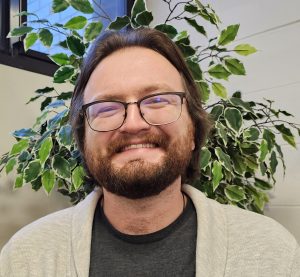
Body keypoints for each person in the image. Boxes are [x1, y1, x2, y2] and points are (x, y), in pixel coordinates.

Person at [0, 28, 299, 277]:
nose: (133, 124)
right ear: (83, 139)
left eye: (157, 100)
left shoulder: (273, 255)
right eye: (106, 107)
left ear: (193, 130)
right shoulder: (25, 258)